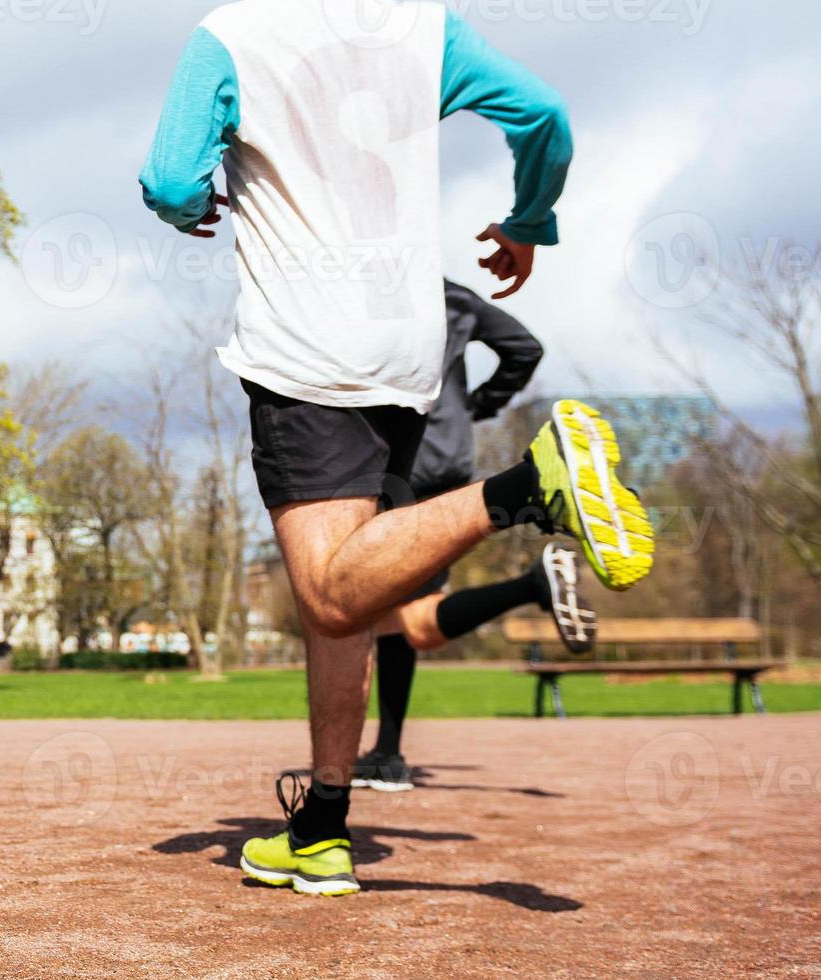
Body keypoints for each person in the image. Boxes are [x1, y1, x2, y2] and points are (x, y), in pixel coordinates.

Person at [139, 0, 652, 896]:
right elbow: (544, 115)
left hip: (306, 351)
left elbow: (170, 178)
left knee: (330, 592)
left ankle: (529, 486)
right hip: (407, 345)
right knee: (350, 592)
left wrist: (183, 206)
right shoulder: (427, 26)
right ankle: (323, 826)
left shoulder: (229, 35)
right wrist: (529, 217)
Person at [355, 281, 598, 793]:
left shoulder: (359, 286)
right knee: (406, 614)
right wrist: (475, 405)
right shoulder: (451, 295)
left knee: (378, 608)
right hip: (448, 457)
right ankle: (388, 752)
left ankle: (531, 579)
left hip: (390, 461)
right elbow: (524, 349)